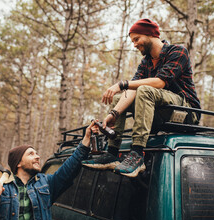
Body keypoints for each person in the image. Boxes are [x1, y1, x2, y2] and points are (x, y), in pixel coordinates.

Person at [82, 18, 201, 178]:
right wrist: (114, 114)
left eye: (137, 39)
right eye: (133, 41)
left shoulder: (177, 52)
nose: (135, 44)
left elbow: (160, 82)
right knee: (120, 99)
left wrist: (122, 84)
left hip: (186, 112)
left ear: (150, 34)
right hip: (160, 112)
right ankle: (112, 153)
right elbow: (132, 90)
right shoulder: (146, 63)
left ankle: (137, 153)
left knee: (145, 90)